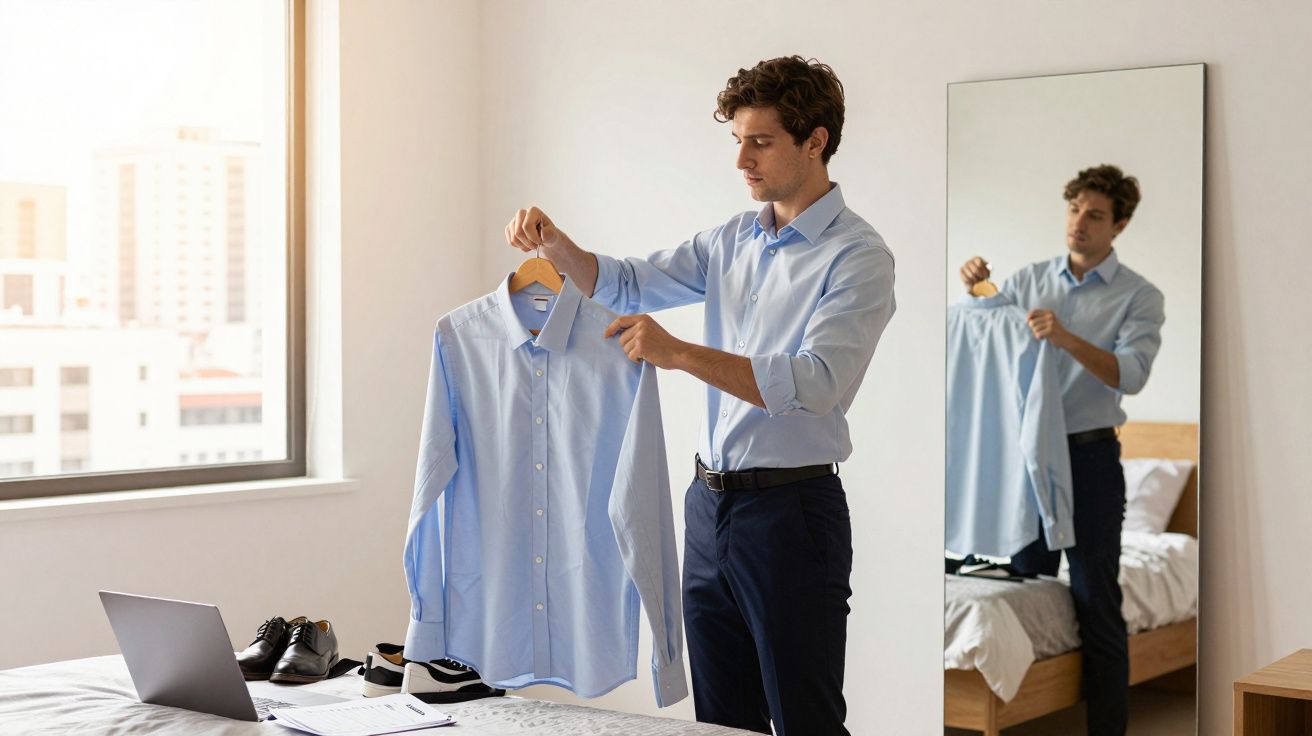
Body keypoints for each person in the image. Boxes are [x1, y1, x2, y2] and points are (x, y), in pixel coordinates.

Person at [504, 56, 895, 736]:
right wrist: (556, 243)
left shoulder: (856, 255)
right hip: (708, 509)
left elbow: (815, 383)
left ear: (816, 141)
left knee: (806, 720)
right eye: (736, 140)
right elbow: (623, 282)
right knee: (720, 724)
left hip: (792, 514)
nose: (741, 159)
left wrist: (679, 354)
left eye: (760, 141)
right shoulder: (729, 241)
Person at [959, 164, 1165, 736]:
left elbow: (1131, 374)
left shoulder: (1139, 296)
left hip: (1092, 461)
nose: (1079, 222)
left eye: (1095, 215)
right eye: (1074, 209)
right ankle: (1028, 720)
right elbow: (991, 329)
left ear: (1118, 225)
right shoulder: (1029, 279)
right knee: (1025, 582)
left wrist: (1067, 337)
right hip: (1027, 458)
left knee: (1096, 596)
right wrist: (975, 282)